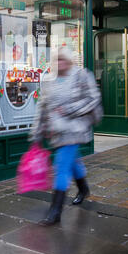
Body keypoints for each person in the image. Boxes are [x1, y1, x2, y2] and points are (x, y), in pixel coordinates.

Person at [29, 46, 103, 226]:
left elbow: (93, 99)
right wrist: (37, 132)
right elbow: (42, 106)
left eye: (63, 59)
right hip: (57, 131)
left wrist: (69, 110)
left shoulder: (81, 75)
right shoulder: (49, 80)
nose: (59, 63)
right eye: (57, 60)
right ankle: (83, 188)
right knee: (72, 161)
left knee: (61, 165)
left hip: (75, 129)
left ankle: (55, 211)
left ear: (69, 61)